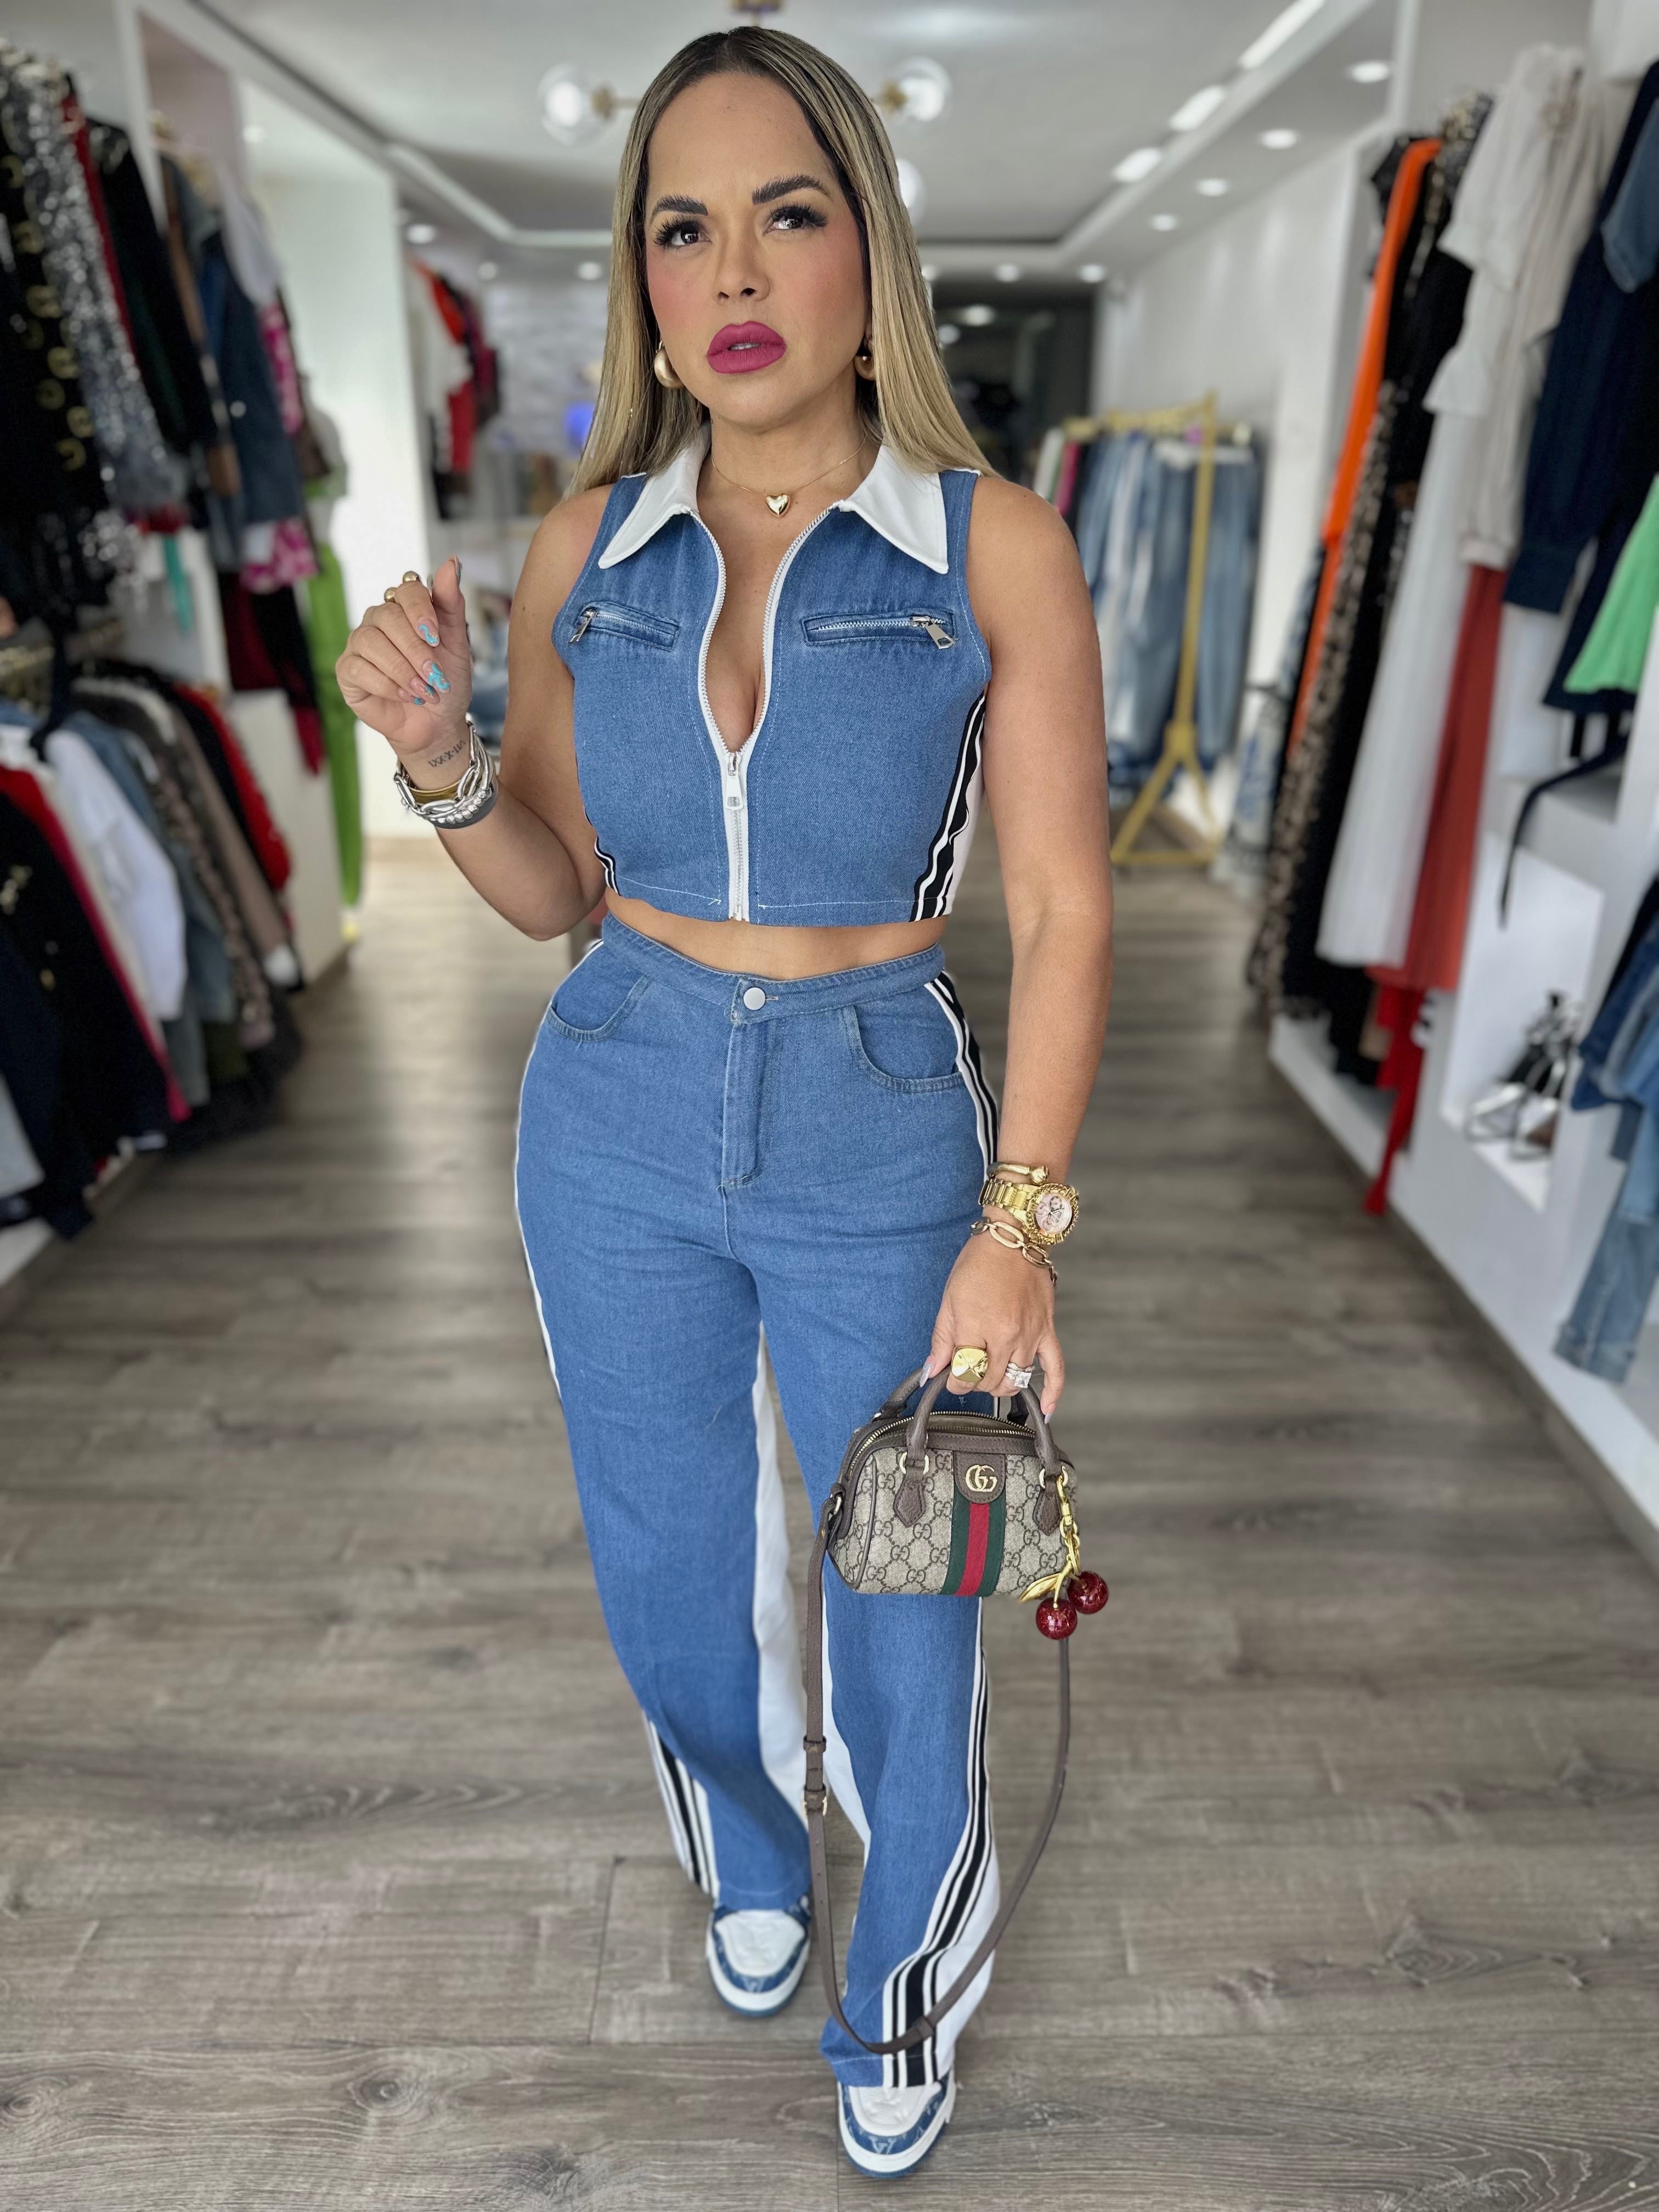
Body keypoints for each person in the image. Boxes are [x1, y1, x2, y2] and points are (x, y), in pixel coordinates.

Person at [336, 24, 1111, 2180]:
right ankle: (751, 1844)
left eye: (788, 213)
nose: (736, 271)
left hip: (884, 1114)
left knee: (911, 1585)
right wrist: (441, 760)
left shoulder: (991, 547)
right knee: (674, 1557)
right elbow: (555, 891)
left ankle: (904, 1977)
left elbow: (1066, 914)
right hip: (620, 1098)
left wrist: (1020, 1228)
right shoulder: (585, 549)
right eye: (685, 228)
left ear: (871, 251)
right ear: (645, 275)